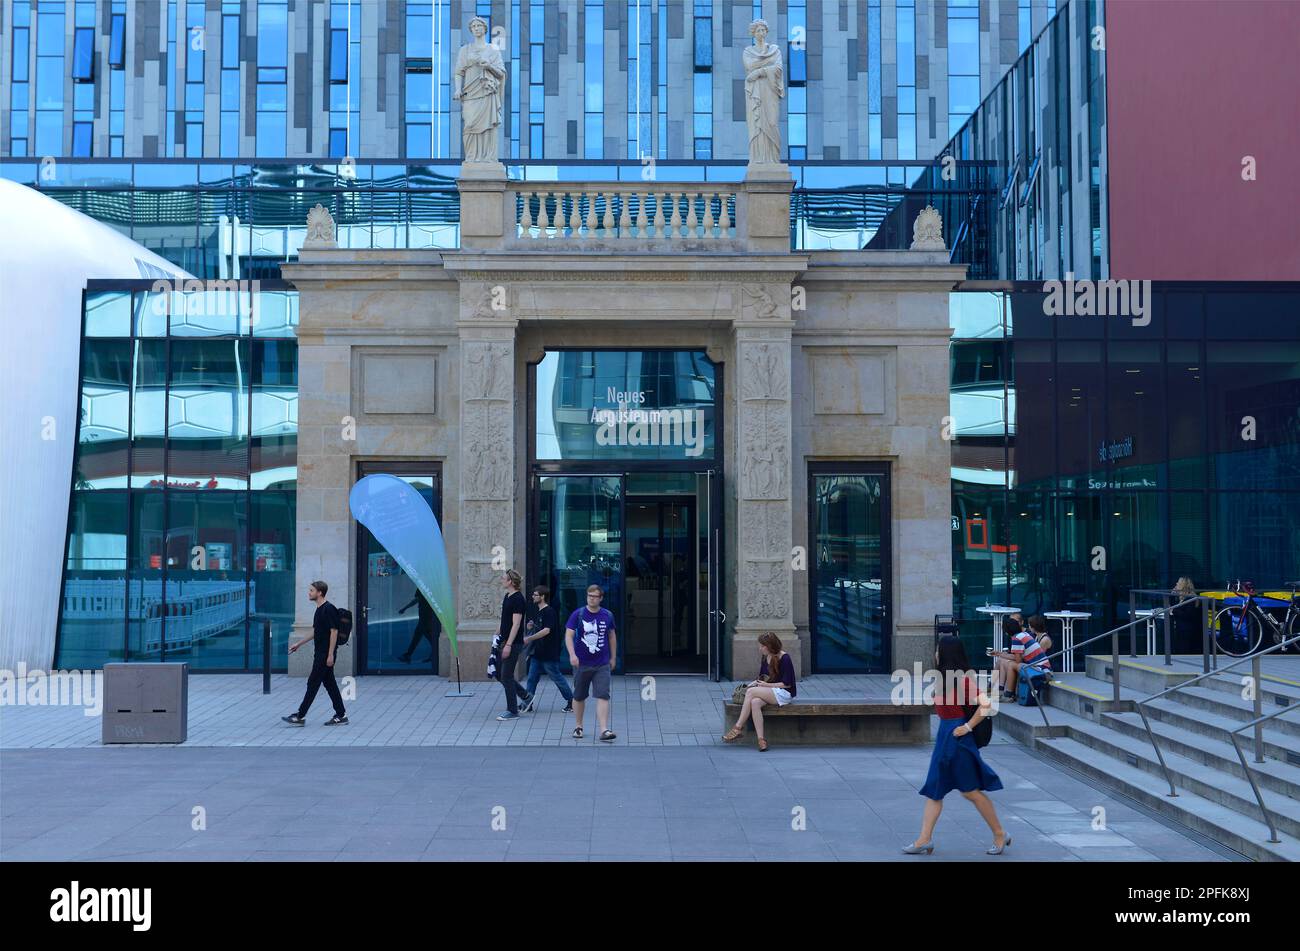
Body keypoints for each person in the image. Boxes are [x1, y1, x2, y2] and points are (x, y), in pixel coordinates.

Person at [903, 634, 1008, 855]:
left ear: (945, 653)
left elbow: (986, 704)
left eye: (938, 649)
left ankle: (1000, 833)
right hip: (944, 737)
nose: (935, 653)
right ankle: (924, 839)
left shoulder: (962, 680)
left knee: (970, 791)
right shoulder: (945, 679)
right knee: (935, 790)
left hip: (958, 739)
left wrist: (968, 727)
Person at [283, 580, 348, 726]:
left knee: (313, 682)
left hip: (325, 654)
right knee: (330, 684)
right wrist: (298, 644)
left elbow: (334, 632)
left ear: (320, 593)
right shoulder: (319, 609)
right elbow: (315, 632)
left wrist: (330, 654)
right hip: (320, 652)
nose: (309, 593)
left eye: (311, 590)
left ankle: (300, 715)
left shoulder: (329, 609)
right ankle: (341, 714)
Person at [722, 632, 795, 751]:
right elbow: (762, 677)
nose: (760, 648)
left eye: (762, 646)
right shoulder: (766, 657)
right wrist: (755, 683)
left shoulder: (784, 657)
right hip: (770, 691)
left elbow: (787, 684)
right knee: (755, 702)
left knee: (751, 693)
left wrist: (766, 685)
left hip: (783, 693)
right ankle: (761, 740)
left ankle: (737, 728)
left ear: (770, 646)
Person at [565, 584, 617, 742]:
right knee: (579, 695)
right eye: (589, 596)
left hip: (602, 663)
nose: (592, 599)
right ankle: (578, 726)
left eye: (595, 596)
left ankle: (604, 729)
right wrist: (572, 655)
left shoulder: (607, 615)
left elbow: (612, 637)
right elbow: (568, 635)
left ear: (601, 598)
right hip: (581, 663)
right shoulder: (578, 614)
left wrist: (613, 658)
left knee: (603, 694)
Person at [520, 585, 574, 713]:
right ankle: (528, 703)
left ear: (542, 597)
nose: (533, 596)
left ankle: (571, 701)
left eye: (535, 595)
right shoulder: (539, 611)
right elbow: (540, 628)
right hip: (538, 653)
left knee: (557, 678)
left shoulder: (549, 611)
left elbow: (546, 630)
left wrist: (529, 638)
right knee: (532, 678)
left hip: (548, 653)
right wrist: (530, 627)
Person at [495, 569, 531, 721]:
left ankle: (512, 710)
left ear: (511, 582)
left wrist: (508, 645)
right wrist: (498, 631)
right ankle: (526, 696)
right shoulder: (507, 595)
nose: (501, 580)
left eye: (503, 578)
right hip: (503, 640)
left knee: (506, 676)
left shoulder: (518, 599)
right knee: (498, 672)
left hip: (512, 643)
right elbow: (506, 619)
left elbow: (516, 624)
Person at [990, 614, 1050, 701]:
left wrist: (1006, 659)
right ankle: (1001, 691)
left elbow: (1018, 660)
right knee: (1004, 661)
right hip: (1041, 669)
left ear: (1006, 631)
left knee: (1010, 665)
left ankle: (1008, 695)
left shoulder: (1017, 639)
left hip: (1042, 672)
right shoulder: (1023, 634)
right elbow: (1017, 658)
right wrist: (999, 653)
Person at [397, 590, 441, 666]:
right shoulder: (427, 586)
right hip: (427, 615)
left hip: (425, 616)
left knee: (421, 635)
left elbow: (416, 600)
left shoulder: (422, 586)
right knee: (420, 635)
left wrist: (404, 608)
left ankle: (408, 655)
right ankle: (408, 655)